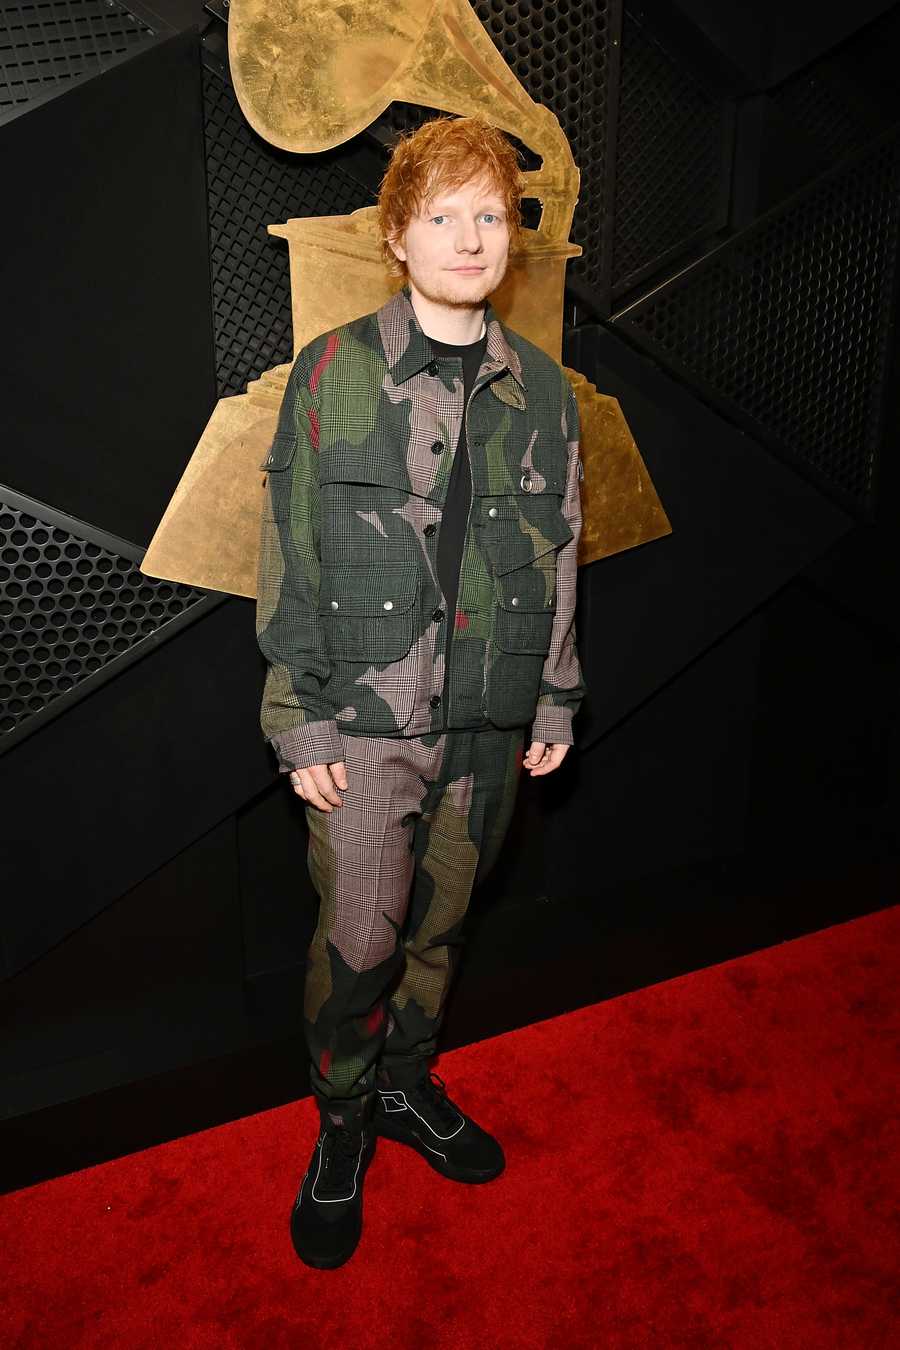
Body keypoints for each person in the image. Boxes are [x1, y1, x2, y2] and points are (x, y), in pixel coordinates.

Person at [255, 114, 586, 1269]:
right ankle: (341, 1121)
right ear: (398, 236)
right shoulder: (335, 371)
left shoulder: (541, 390)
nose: (469, 236)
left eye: (489, 215)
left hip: (489, 722)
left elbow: (561, 554)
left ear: (513, 239)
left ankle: (405, 1087)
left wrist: (555, 699)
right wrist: (295, 718)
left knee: (441, 931)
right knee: (359, 940)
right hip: (363, 725)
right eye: (442, 215)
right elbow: (288, 547)